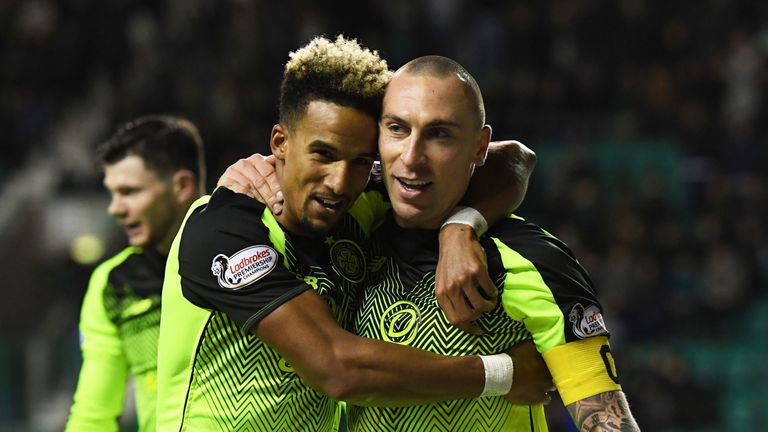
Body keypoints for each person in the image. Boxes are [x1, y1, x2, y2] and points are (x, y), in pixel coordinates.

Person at [157, 35, 550, 432]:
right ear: (280, 142)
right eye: (323, 155)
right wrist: (504, 374)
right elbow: (337, 367)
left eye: (361, 161)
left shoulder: (360, 201)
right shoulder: (223, 230)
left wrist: (460, 226)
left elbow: (513, 158)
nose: (339, 182)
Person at [233, 56, 642, 431]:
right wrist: (238, 181)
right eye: (397, 128)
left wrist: (461, 224)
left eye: (439, 135)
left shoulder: (528, 259)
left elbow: (610, 422)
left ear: (479, 148)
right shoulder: (350, 220)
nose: (411, 157)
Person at [65, 116, 206, 432]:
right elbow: (93, 415)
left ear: (182, 186)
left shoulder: (242, 262)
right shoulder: (114, 284)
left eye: (129, 191)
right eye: (112, 193)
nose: (115, 208)